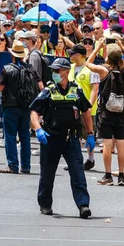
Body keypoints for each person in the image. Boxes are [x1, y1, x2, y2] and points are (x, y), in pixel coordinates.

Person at [29, 58, 94, 219]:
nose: (55, 73)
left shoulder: (76, 90)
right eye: (54, 71)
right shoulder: (49, 90)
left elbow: (86, 112)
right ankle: (45, 204)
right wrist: (38, 129)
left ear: (66, 71)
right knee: (47, 173)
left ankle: (83, 205)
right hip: (51, 137)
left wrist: (91, 134)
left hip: (71, 138)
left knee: (77, 171)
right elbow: (34, 112)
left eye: (58, 71)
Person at [85, 39, 124, 186]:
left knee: (107, 144)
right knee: (120, 143)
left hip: (106, 110)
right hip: (121, 110)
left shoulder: (104, 70)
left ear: (108, 57)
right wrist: (123, 49)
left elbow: (88, 63)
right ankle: (122, 175)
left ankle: (108, 175)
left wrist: (97, 47)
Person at [0, 40, 42, 174]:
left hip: (10, 106)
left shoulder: (7, 69)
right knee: (25, 136)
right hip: (26, 106)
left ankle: (13, 165)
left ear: (12, 54)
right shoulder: (30, 68)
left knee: (10, 137)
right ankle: (25, 166)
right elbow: (41, 86)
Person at [67, 43, 99, 170]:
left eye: (72, 54)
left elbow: (95, 89)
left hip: (86, 108)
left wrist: (89, 105)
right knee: (75, 134)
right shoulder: (70, 68)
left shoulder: (91, 69)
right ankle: (77, 159)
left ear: (79, 55)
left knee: (88, 134)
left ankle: (90, 159)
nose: (69, 55)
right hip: (73, 107)